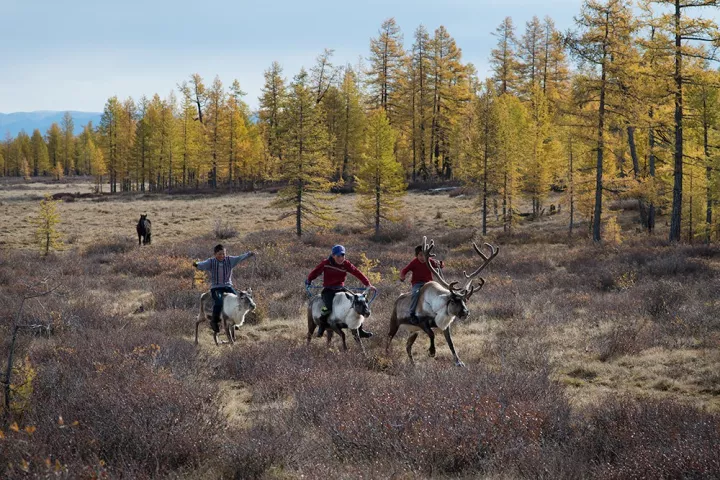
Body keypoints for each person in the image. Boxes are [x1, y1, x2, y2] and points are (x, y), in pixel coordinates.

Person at [306, 244, 376, 338]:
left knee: (356, 304)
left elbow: (357, 272)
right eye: (338, 256)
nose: (341, 258)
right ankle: (322, 326)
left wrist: (368, 284)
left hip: (341, 289)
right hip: (329, 290)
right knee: (328, 307)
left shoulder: (346, 264)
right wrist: (309, 280)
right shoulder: (326, 263)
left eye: (343, 255)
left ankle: (360, 330)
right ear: (333, 255)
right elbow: (315, 272)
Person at [193, 244, 255, 333]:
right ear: (215, 254)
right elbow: (202, 265)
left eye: (223, 254)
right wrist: (196, 264)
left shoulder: (230, 260)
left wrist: (249, 254)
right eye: (219, 254)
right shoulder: (211, 262)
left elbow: (240, 258)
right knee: (218, 301)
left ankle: (235, 321)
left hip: (228, 286)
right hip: (216, 288)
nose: (222, 256)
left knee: (237, 300)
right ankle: (214, 321)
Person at [399, 244, 444, 325]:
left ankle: (438, 312)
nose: (422, 257)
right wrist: (402, 276)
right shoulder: (414, 262)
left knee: (438, 294)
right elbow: (404, 270)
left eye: (424, 255)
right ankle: (412, 314)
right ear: (417, 255)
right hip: (418, 283)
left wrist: (440, 264)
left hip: (429, 283)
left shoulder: (429, 261)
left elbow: (440, 265)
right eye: (420, 255)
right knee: (415, 294)